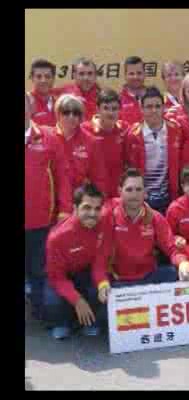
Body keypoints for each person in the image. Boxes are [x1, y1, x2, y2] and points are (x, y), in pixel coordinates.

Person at [99, 169, 189, 290]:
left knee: (181, 273)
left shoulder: (155, 217)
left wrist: (183, 263)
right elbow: (100, 259)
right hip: (120, 280)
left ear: (145, 193)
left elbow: (171, 248)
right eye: (129, 189)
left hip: (150, 277)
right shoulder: (109, 217)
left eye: (138, 189)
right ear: (120, 191)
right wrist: (102, 283)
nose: (134, 194)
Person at [25, 92, 72, 319]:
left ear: (31, 107)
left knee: (38, 271)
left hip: (40, 221)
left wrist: (64, 211)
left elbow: (62, 176)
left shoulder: (47, 137)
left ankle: (40, 314)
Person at [43, 184, 110, 340]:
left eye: (97, 208)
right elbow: (56, 277)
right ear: (75, 208)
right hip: (60, 276)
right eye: (87, 208)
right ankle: (62, 322)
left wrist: (103, 284)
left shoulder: (104, 224)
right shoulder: (57, 237)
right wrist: (77, 300)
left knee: (100, 291)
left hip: (85, 273)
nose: (93, 214)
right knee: (52, 303)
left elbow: (99, 264)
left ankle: (89, 321)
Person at [124, 86, 183, 215]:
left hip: (169, 196)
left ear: (163, 108)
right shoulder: (133, 134)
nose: (154, 110)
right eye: (149, 107)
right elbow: (129, 167)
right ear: (141, 109)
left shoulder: (175, 129)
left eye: (157, 106)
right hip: (143, 197)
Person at [50, 94, 109, 197]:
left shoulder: (91, 142)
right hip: (51, 198)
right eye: (66, 112)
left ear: (81, 117)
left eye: (76, 113)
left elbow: (99, 180)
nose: (71, 116)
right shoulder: (47, 137)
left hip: (79, 203)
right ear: (58, 114)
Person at [80, 88, 129, 204]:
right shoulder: (84, 130)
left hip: (118, 195)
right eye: (106, 108)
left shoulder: (125, 129)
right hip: (92, 196)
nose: (110, 113)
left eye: (114, 109)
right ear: (97, 109)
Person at [27, 58, 58, 127]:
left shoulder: (59, 103)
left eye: (47, 76)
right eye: (39, 76)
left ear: (53, 79)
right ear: (32, 78)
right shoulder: (26, 102)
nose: (43, 80)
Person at [119, 56, 146, 126]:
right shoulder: (117, 99)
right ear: (125, 75)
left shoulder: (155, 97)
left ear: (144, 74)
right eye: (131, 73)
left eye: (139, 73)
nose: (135, 77)